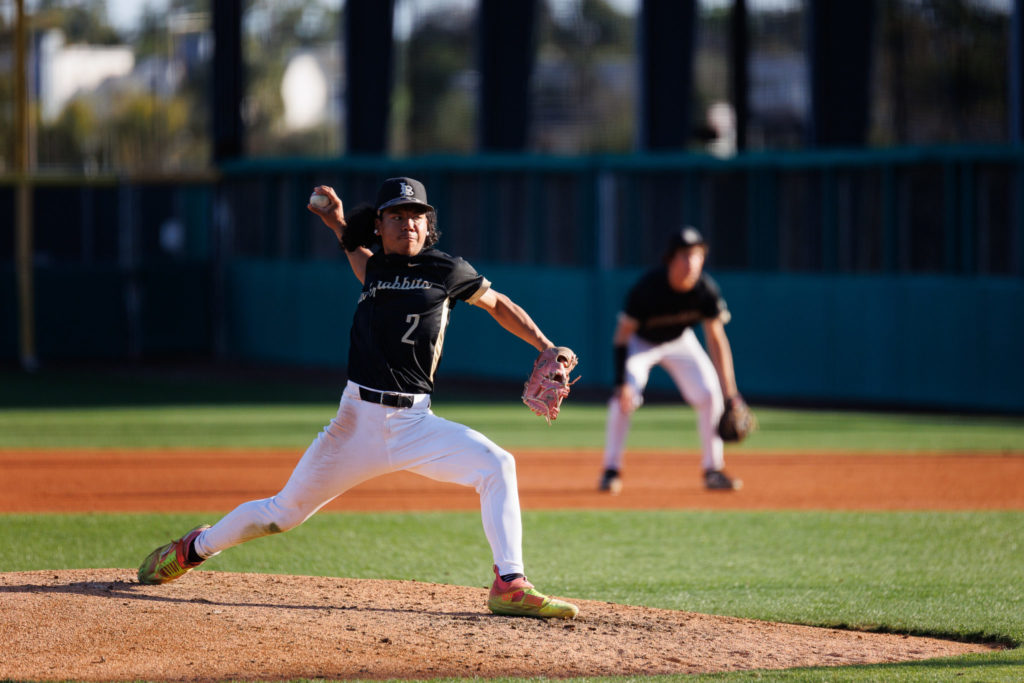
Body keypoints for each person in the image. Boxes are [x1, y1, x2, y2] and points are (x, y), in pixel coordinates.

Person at [137, 177, 579, 619]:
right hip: (355, 423)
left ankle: (509, 583)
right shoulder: (375, 268)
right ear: (380, 225)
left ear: (428, 226)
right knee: (281, 514)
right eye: (397, 216)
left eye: (417, 216)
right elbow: (355, 250)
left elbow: (498, 304)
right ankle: (194, 548)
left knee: (498, 464)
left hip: (416, 424)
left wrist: (544, 346)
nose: (409, 224)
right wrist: (336, 222)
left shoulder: (447, 270)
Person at [599, 226, 744, 494]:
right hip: (641, 343)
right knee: (624, 399)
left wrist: (731, 394)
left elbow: (716, 340)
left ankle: (713, 469)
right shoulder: (647, 289)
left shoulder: (705, 291)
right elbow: (621, 338)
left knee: (710, 394)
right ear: (670, 259)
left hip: (680, 341)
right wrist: (621, 382)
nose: (691, 262)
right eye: (685, 255)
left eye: (697, 255)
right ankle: (611, 469)